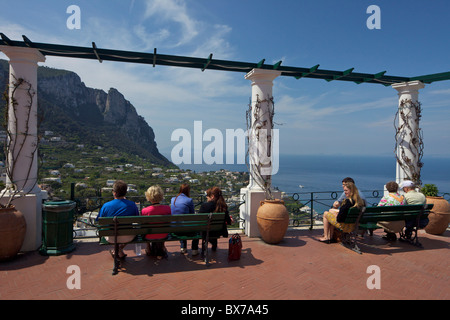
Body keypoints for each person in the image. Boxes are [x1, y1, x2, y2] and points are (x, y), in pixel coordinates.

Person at [96, 180, 139, 259]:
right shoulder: (132, 205)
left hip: (111, 237)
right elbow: (137, 219)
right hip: (128, 236)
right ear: (125, 192)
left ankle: (117, 251)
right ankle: (119, 250)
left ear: (114, 192)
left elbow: (99, 221)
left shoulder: (106, 206)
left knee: (113, 232)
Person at [196, 187, 233, 253]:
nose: (207, 197)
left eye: (207, 195)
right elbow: (229, 221)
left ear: (212, 196)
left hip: (205, 231)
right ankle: (214, 245)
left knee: (207, 229)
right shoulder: (223, 206)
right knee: (213, 228)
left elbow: (199, 220)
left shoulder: (204, 206)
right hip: (218, 231)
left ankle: (201, 250)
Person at [141, 185, 171, 259]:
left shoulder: (144, 210)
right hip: (164, 235)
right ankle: (162, 246)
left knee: (145, 229)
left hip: (149, 236)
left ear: (148, 197)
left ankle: (148, 247)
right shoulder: (167, 208)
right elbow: (168, 223)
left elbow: (143, 226)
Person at [170, 184, 197, 254]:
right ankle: (194, 249)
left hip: (174, 229)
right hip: (186, 229)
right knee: (195, 227)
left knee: (181, 223)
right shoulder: (189, 200)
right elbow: (192, 215)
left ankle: (183, 247)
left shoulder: (173, 199)